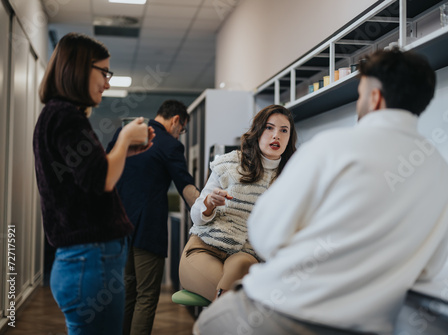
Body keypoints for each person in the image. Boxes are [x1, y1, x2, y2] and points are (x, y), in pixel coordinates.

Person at [193, 48, 448, 335]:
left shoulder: (331, 147)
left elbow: (265, 235)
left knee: (207, 326)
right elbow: (431, 267)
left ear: (375, 97)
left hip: (278, 311)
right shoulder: (446, 177)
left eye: (360, 94)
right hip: (364, 327)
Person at [33, 32, 154, 335]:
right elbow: (102, 179)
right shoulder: (66, 116)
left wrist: (126, 149)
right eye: (104, 72)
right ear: (79, 68)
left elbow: (90, 175)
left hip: (83, 262)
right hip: (90, 261)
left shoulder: (57, 115)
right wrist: (125, 138)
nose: (108, 82)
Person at [179, 104, 297, 302]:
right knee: (242, 300)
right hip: (204, 248)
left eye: (284, 130)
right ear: (258, 132)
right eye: (269, 128)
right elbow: (196, 216)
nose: (276, 135)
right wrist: (209, 203)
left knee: (243, 273)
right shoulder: (229, 164)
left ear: (289, 138)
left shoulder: (292, 177)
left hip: (246, 255)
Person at [106, 100, 200, 335]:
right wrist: (206, 206)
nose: (180, 135)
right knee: (146, 295)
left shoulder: (125, 132)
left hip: (118, 226)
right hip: (148, 229)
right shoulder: (170, 144)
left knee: (127, 291)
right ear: (176, 120)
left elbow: (104, 167)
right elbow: (185, 185)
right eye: (183, 129)